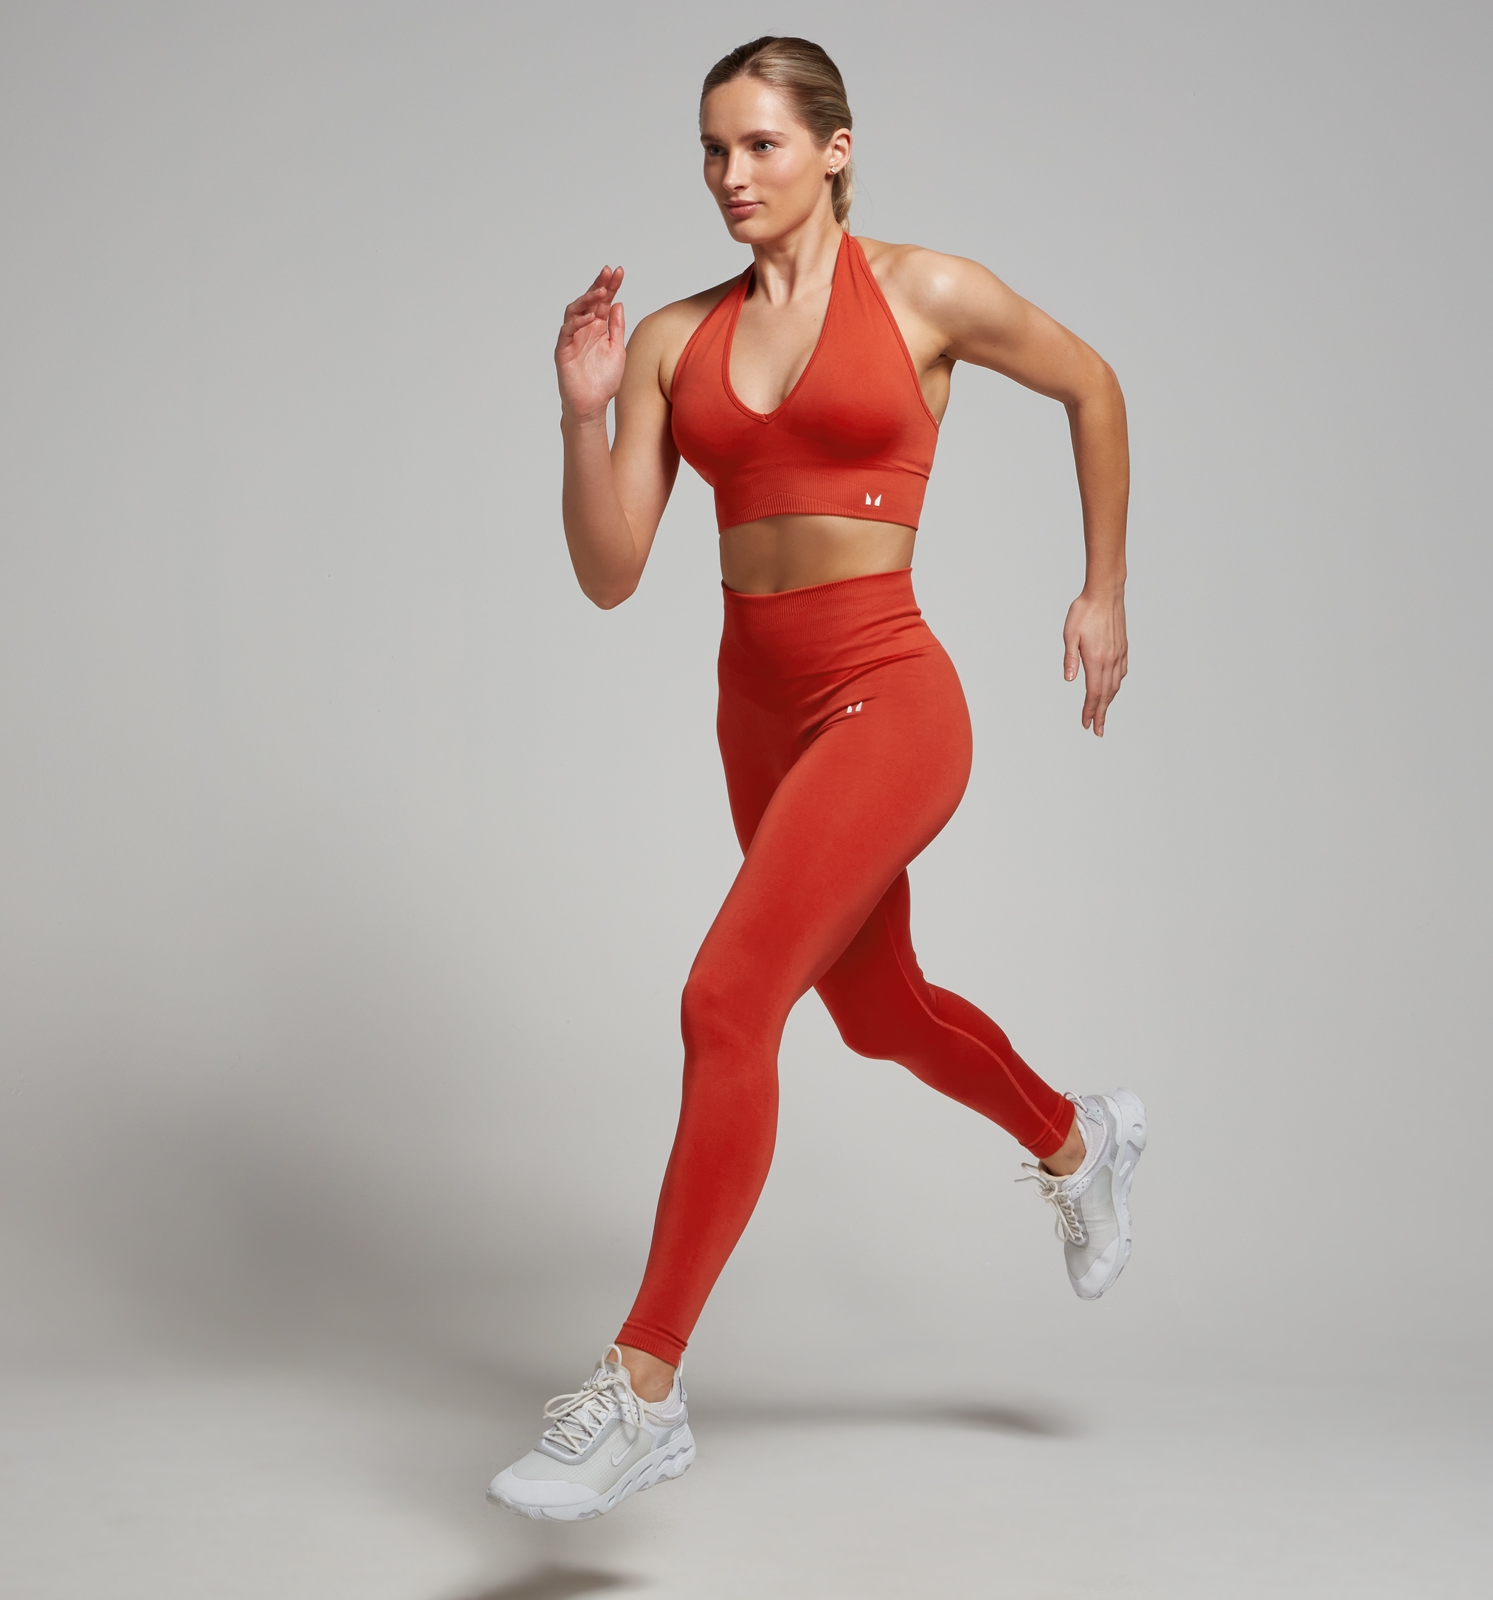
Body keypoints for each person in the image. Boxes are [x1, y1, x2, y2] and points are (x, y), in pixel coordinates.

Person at [489, 36, 1146, 1524]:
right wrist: (583, 412)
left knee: (727, 1000)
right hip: (760, 715)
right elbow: (611, 571)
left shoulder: (924, 292)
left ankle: (642, 1388)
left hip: (891, 696)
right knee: (873, 1008)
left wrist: (1102, 588)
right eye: (712, 150)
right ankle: (1078, 1136)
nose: (731, 175)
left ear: (835, 149)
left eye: (762, 145)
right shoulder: (672, 340)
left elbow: (1093, 386)